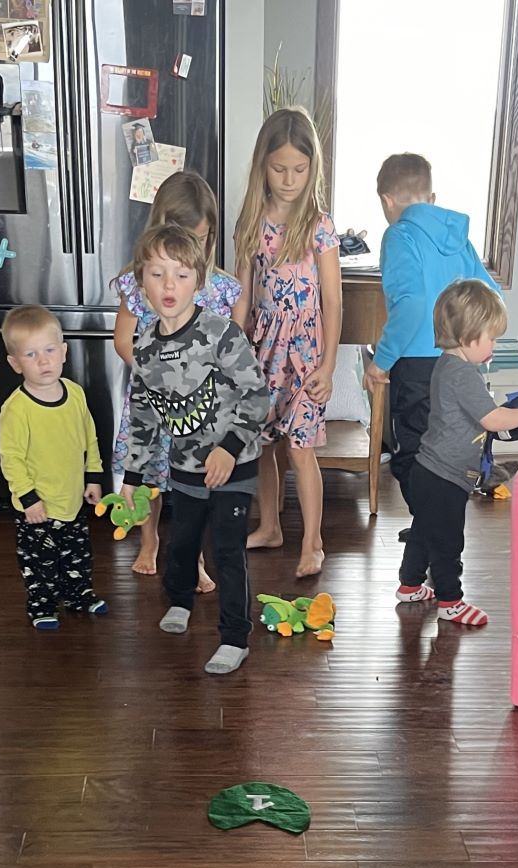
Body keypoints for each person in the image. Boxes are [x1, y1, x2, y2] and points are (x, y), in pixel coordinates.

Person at [121, 224, 270, 675]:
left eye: (182, 275)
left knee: (227, 549)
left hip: (235, 462)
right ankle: (180, 603)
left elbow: (258, 396)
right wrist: (133, 476)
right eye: (158, 273)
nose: (169, 286)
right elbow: (144, 413)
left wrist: (227, 448)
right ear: (140, 280)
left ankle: (235, 636)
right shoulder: (143, 347)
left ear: (199, 282)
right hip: (184, 465)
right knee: (183, 543)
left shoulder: (222, 333)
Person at [112, 170, 241, 589]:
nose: (190, 252)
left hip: (198, 412)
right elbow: (122, 339)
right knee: (150, 475)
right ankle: (148, 541)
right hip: (152, 402)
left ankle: (195, 559)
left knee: (195, 485)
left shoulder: (220, 288)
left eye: (201, 240)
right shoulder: (139, 282)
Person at [363, 153, 500, 536]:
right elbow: (490, 294)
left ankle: (430, 527)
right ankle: (435, 524)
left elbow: (411, 304)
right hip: (460, 362)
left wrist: (381, 362)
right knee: (448, 449)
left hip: (418, 364)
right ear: (432, 197)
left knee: (414, 454)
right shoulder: (457, 237)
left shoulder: (399, 236)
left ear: (387, 200)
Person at [232, 107, 341, 579]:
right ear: (263, 166)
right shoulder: (251, 222)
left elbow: (334, 303)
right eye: (280, 169)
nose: (290, 179)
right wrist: (234, 357)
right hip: (260, 352)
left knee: (300, 447)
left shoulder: (319, 224)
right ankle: (271, 526)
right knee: (263, 444)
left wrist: (329, 366)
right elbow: (241, 296)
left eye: (300, 169)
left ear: (312, 168)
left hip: (306, 356)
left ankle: (313, 542)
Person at [396, 279, 518, 627]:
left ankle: (410, 585)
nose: (494, 344)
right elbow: (492, 420)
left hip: (428, 469)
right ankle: (450, 602)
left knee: (425, 530)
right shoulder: (464, 375)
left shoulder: (446, 364)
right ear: (468, 336)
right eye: (491, 337)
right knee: (447, 541)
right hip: (446, 476)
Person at [0, 304, 106, 631]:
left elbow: (89, 436)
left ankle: (76, 593)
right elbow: (11, 458)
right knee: (39, 561)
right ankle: (42, 603)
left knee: (77, 554)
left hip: (71, 498)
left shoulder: (75, 394)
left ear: (64, 352)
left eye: (49, 350)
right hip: (37, 506)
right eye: (31, 355)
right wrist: (28, 498)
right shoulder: (17, 410)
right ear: (15, 363)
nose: (43, 361)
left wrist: (94, 477)